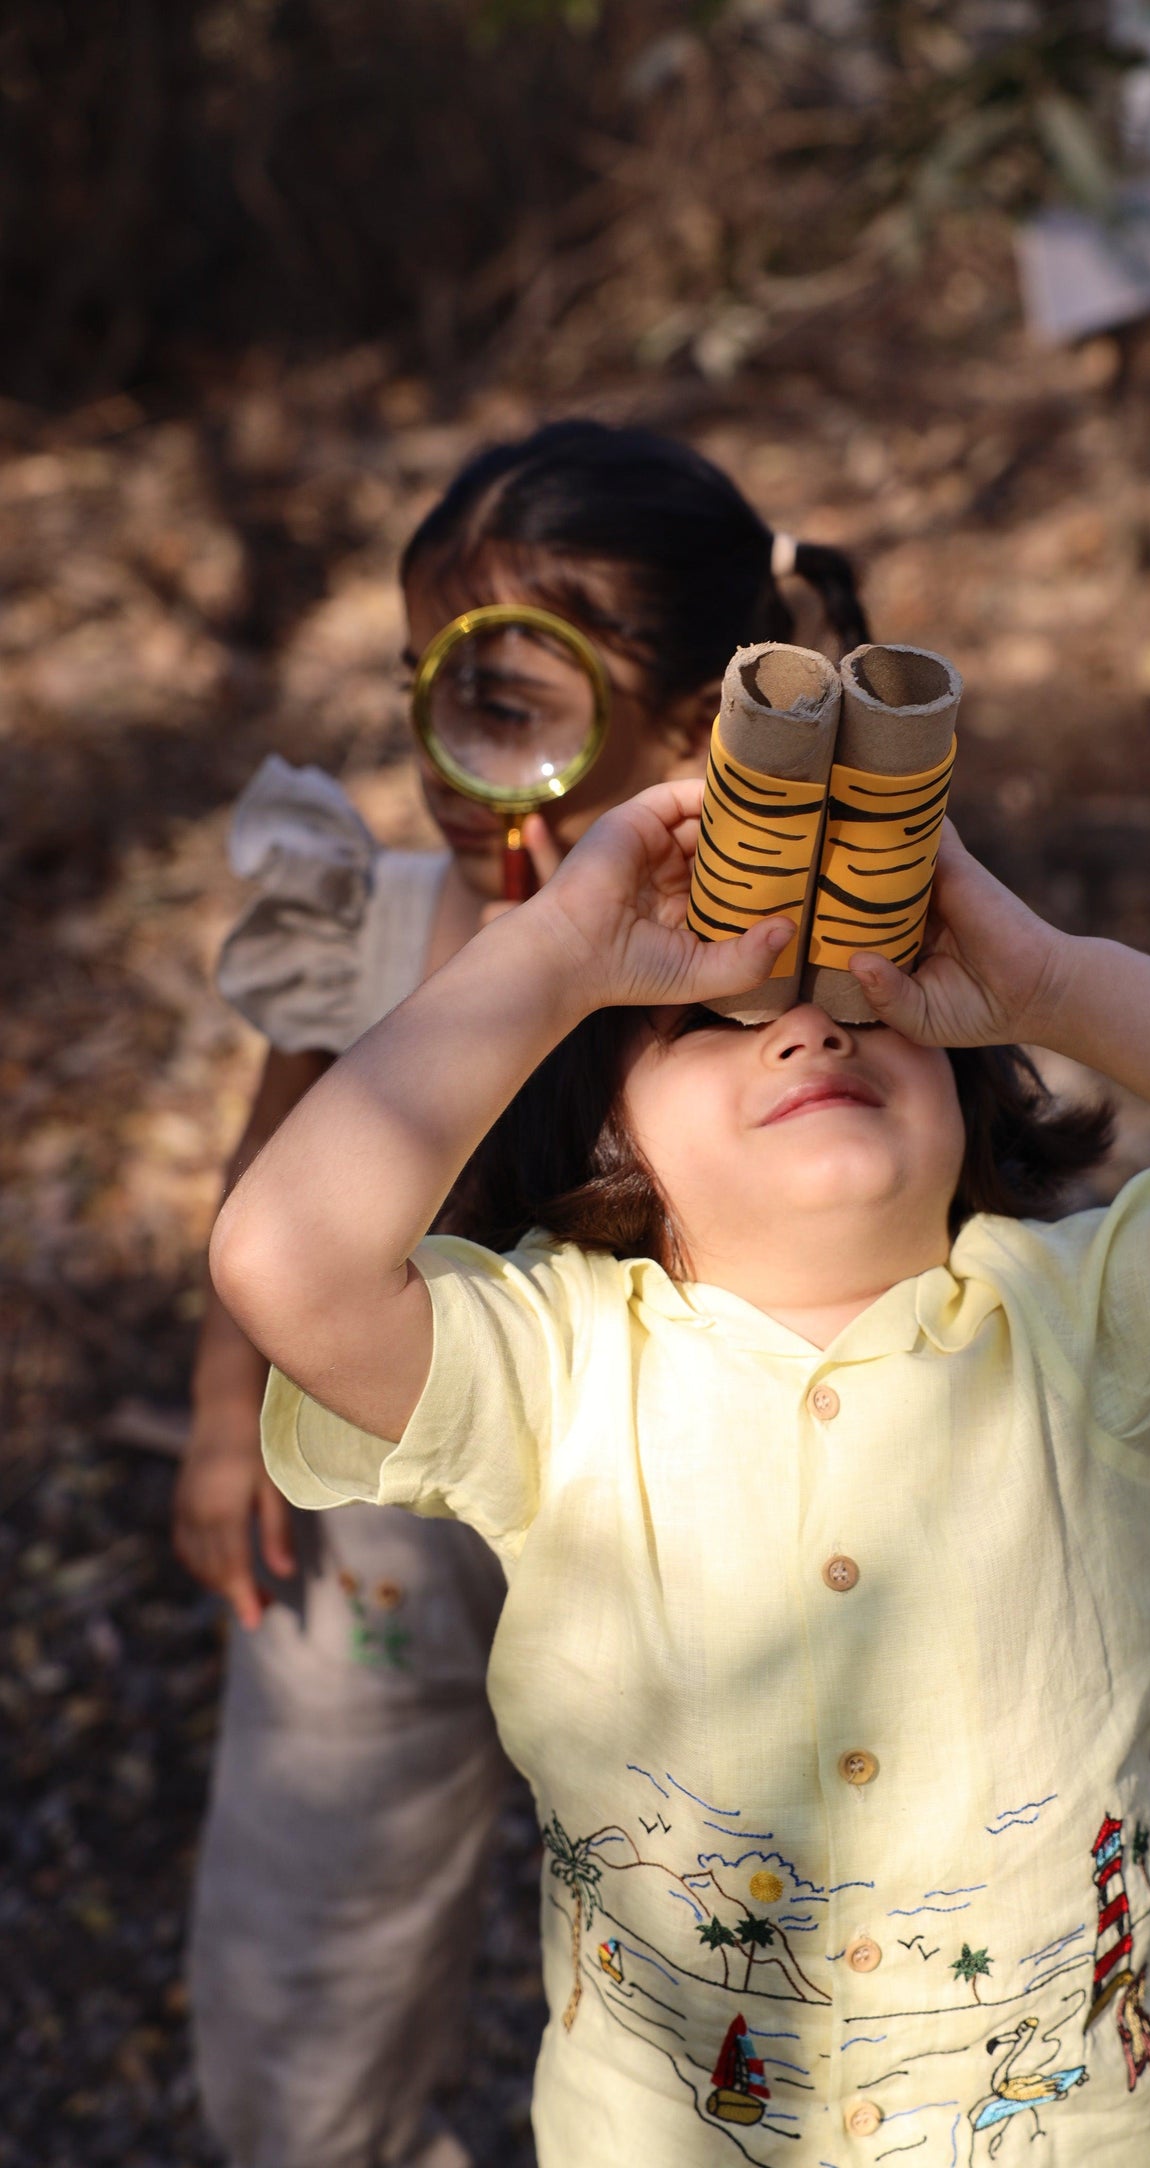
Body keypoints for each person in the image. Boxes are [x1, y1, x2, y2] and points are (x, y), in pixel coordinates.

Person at [208, 727, 1150, 2168]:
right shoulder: (555, 1366)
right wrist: (554, 955)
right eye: (711, 1027)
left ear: (973, 1087)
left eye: (870, 1012)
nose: (808, 1031)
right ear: (604, 1148)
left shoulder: (1087, 1326)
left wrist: (1057, 982)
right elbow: (281, 1259)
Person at [174, 421, 869, 2168]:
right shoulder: (382, 926)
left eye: (508, 708)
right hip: (390, 1539)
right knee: (301, 1944)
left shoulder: (792, 970)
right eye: (431, 698)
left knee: (720, 1976)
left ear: (698, 730)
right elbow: (270, 1174)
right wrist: (214, 1427)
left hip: (684, 1567)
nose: (446, 768)